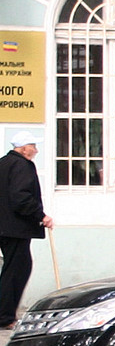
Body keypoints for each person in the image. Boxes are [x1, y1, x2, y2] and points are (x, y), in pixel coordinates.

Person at [0, 131, 52, 330]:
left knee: (12, 269)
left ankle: (5, 315)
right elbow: (21, 198)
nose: (36, 150)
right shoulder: (22, 165)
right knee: (17, 270)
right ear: (23, 148)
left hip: (5, 227)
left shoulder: (3, 163)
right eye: (33, 146)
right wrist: (41, 216)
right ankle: (5, 317)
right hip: (15, 228)